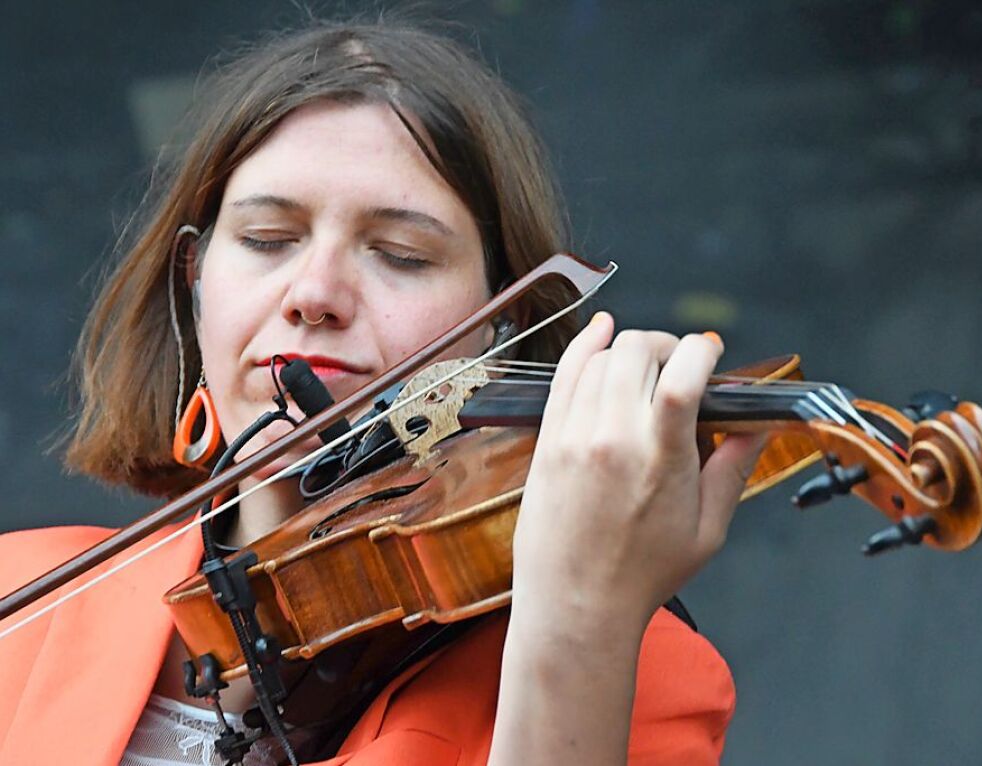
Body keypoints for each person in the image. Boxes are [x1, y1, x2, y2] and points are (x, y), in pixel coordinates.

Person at [0, 18, 765, 766]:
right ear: (196, 282)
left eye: (401, 255)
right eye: (267, 239)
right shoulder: (22, 594)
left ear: (502, 323)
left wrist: (576, 635)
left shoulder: (632, 670)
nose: (316, 293)